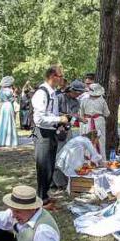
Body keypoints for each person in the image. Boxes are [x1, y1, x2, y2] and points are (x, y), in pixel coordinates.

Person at [32, 66, 70, 206]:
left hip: (51, 132)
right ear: (53, 76)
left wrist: (59, 121)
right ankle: (41, 198)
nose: (62, 78)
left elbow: (50, 114)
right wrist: (58, 120)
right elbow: (39, 119)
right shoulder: (42, 93)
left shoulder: (52, 92)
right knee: (43, 167)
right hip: (43, 134)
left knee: (49, 166)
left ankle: (45, 195)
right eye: (60, 76)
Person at [79, 83, 110, 156]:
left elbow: (81, 114)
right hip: (99, 121)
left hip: (86, 121)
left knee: (86, 140)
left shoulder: (84, 100)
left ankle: (87, 161)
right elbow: (107, 113)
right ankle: (101, 160)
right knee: (100, 140)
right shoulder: (102, 100)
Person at [0, 75, 19, 148]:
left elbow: (1, 99)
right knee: (10, 122)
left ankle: (1, 140)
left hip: (3, 106)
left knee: (3, 122)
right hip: (8, 105)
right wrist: (14, 97)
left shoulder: (1, 91)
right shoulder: (10, 91)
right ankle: (9, 140)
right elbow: (12, 99)